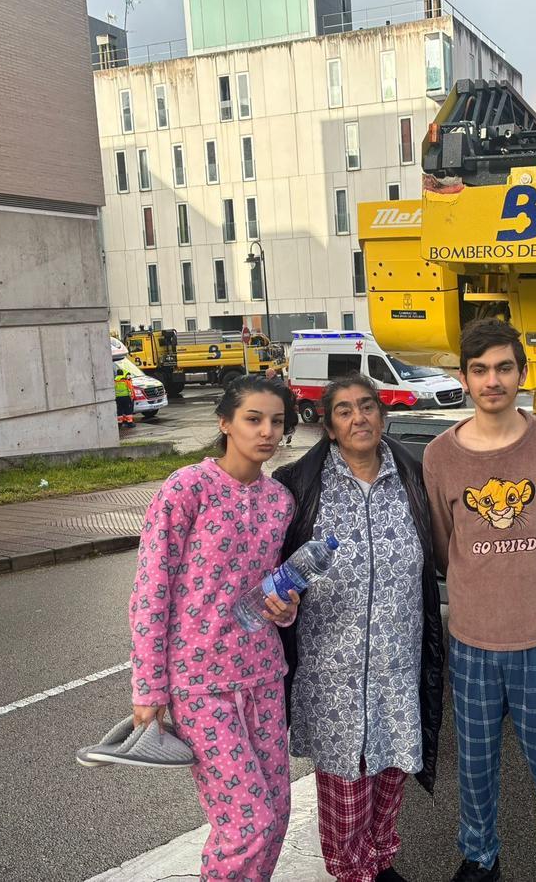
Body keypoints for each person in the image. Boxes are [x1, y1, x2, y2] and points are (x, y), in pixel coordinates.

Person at [423, 319, 536, 882]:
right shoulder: (440, 458)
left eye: (503, 368)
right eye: (479, 370)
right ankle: (480, 857)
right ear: (464, 379)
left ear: (522, 372)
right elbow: (445, 548)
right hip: (472, 645)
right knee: (474, 769)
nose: (492, 380)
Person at [273, 374, 444, 882]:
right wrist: (278, 603)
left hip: (397, 659)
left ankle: (381, 859)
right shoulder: (299, 486)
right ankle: (352, 871)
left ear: (383, 415)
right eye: (343, 410)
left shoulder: (414, 476)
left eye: (366, 406)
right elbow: (271, 573)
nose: (358, 418)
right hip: (332, 669)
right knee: (345, 776)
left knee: (391, 764)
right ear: (328, 426)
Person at [129, 376, 300, 881]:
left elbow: (271, 589)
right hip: (200, 684)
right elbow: (150, 591)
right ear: (225, 422)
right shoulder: (187, 489)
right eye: (253, 419)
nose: (266, 431)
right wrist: (148, 687)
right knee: (247, 823)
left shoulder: (279, 501)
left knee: (277, 816)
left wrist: (284, 608)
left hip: (265, 675)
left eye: (277, 422)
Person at [114, 363, 137, 428]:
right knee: (128, 410)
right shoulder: (126, 381)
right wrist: (131, 397)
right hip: (126, 398)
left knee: (119, 410)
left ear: (117, 374)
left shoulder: (114, 381)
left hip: (118, 398)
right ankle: (130, 423)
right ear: (122, 374)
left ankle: (119, 424)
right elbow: (130, 390)